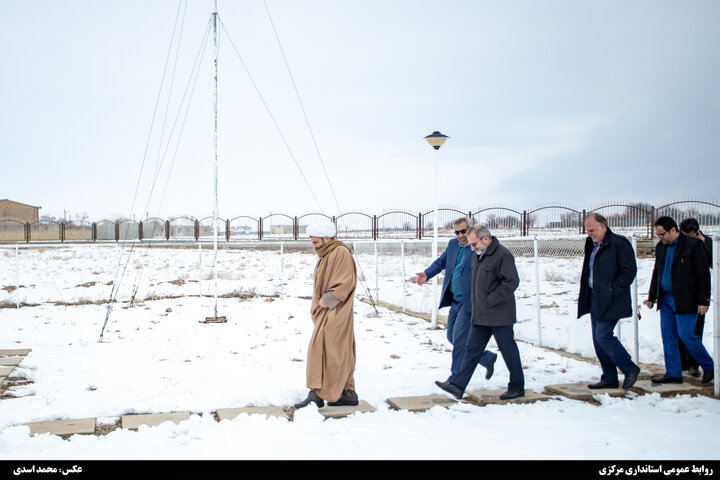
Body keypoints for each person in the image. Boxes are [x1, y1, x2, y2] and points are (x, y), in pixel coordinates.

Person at [435, 225, 525, 400]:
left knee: (508, 350)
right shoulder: (478, 255)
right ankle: (457, 385)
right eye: (470, 245)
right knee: (471, 349)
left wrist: (490, 300)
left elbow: (511, 282)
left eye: (474, 244)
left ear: (486, 239)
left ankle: (517, 386)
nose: (472, 248)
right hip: (481, 315)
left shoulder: (502, 255)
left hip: (499, 315)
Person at [415, 217, 497, 381]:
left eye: (464, 231)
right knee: (451, 337)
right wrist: (427, 274)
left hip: (470, 301)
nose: (460, 235)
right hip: (455, 300)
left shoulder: (477, 247)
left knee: (459, 338)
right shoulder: (453, 245)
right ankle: (485, 358)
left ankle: (456, 379)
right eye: (457, 232)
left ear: (471, 230)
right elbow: (441, 262)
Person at [294, 221, 359, 408]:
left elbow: (345, 282)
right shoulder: (328, 253)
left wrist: (327, 300)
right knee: (338, 351)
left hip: (335, 310)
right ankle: (346, 392)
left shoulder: (340, 253)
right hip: (328, 310)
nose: (314, 246)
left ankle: (317, 393)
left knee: (325, 350)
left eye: (316, 242)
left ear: (327, 238)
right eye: (312, 242)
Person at [644, 216, 713, 385]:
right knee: (668, 336)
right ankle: (673, 373)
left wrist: (704, 301)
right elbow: (657, 272)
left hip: (685, 299)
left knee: (687, 335)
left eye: (662, 234)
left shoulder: (693, 245)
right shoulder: (661, 247)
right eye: (657, 235)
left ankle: (709, 367)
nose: (660, 238)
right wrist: (652, 296)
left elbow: (703, 275)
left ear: (673, 230)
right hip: (666, 299)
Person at [577, 213, 641, 389]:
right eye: (587, 230)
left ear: (603, 226)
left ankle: (630, 369)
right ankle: (609, 377)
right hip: (594, 297)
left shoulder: (619, 243)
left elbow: (629, 270)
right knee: (598, 340)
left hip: (611, 299)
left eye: (592, 230)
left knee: (604, 335)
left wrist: (613, 289)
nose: (589, 234)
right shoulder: (592, 244)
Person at [678, 218, 714, 377]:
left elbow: (713, 261)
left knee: (695, 330)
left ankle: (694, 363)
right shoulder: (680, 242)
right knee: (681, 330)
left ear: (696, 232)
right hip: (682, 290)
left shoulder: (707, 242)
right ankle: (682, 362)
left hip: (699, 291)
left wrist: (703, 245)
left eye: (688, 234)